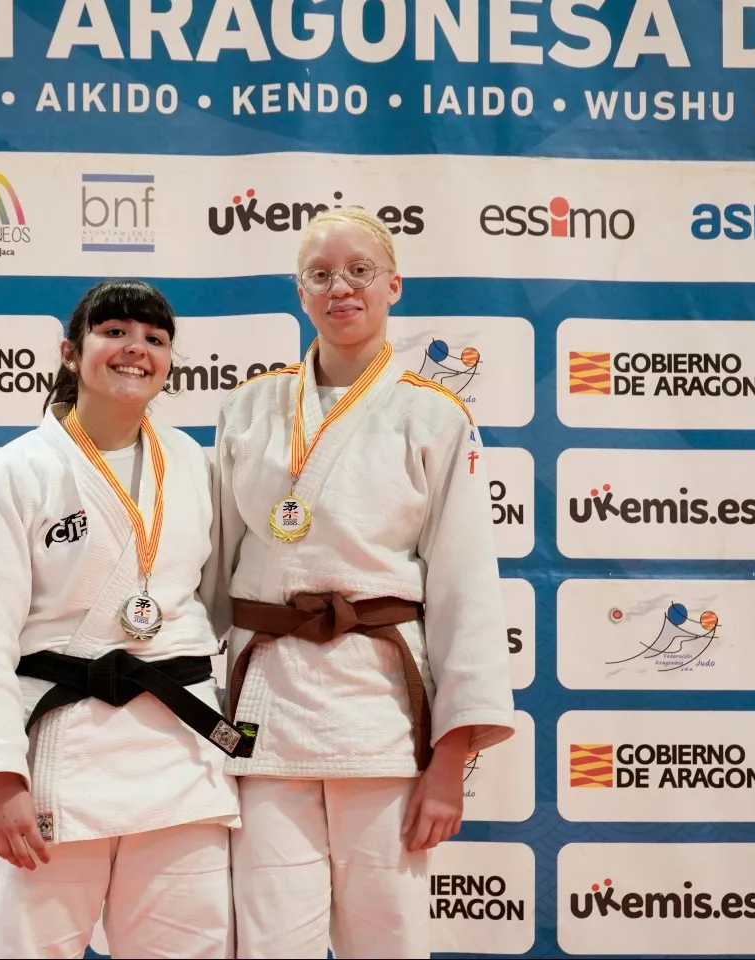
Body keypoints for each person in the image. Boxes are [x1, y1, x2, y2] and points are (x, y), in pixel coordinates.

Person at [213, 208, 517, 958]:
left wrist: (450, 760)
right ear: (300, 292)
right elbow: (210, 572)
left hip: (380, 715)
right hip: (263, 712)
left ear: (393, 286)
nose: (339, 288)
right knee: (269, 943)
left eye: (358, 271)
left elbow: (466, 590)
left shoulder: (433, 415)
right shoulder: (249, 408)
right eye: (320, 275)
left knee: (388, 940)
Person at [0, 279, 248, 959]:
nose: (136, 348)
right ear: (70, 354)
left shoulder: (191, 466)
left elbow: (212, 602)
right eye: (114, 332)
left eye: (154, 338)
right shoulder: (10, 476)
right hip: (58, 757)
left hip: (178, 759)